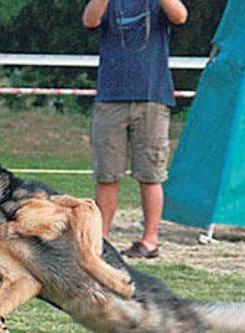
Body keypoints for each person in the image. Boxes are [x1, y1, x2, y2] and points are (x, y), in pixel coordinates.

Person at [83, 0, 188, 259]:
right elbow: (90, 20)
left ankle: (150, 240)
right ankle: (101, 240)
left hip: (152, 98)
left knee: (150, 173)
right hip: (110, 98)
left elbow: (180, 16)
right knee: (107, 174)